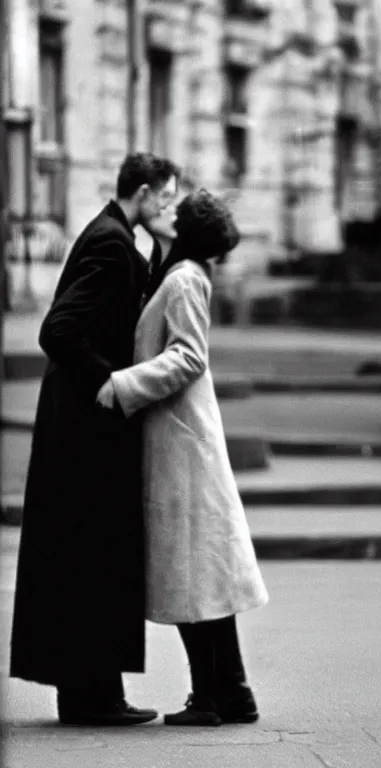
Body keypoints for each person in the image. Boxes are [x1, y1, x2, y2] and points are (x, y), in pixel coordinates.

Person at [10, 153, 181, 726]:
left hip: (79, 427)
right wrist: (108, 381)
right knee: (91, 553)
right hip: (86, 430)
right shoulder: (110, 243)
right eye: (165, 197)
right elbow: (57, 329)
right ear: (142, 192)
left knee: (86, 556)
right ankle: (94, 698)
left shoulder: (113, 235)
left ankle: (91, 694)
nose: (169, 207)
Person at [98, 189, 269, 726]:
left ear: (186, 230)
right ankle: (231, 690)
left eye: (176, 211)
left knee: (192, 577)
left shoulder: (184, 278)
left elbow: (189, 357)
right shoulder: (180, 273)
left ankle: (211, 696)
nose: (164, 211)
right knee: (207, 577)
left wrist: (122, 384)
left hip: (181, 444)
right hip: (184, 440)